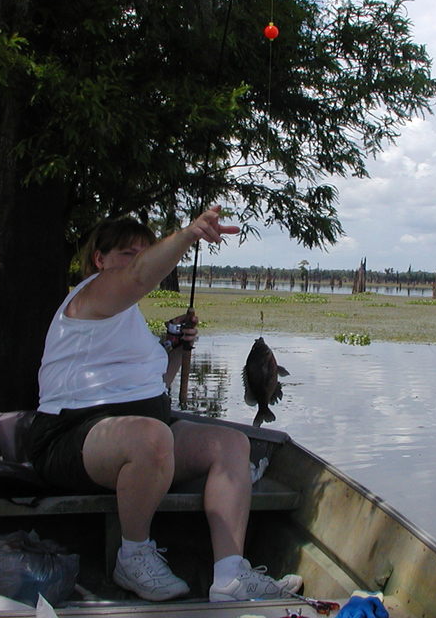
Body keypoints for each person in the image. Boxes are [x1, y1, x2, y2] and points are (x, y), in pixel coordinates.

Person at [27, 206, 302, 602]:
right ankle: (133, 554)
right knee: (153, 437)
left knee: (233, 445)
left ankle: (230, 576)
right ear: (99, 260)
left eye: (144, 251)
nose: (138, 260)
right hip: (69, 440)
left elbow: (156, 386)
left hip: (142, 438)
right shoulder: (88, 296)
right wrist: (190, 233)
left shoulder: (128, 318)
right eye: (127, 253)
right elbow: (139, 276)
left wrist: (175, 349)